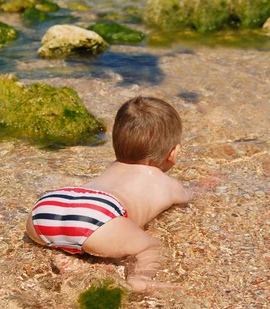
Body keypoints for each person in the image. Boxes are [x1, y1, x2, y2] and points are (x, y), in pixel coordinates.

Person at [25, 96, 191, 292]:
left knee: (76, 236)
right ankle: (139, 281)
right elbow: (189, 196)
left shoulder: (112, 168)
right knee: (151, 247)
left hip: (49, 207)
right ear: (173, 153)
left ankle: (64, 252)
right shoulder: (165, 182)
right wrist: (206, 187)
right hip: (98, 214)